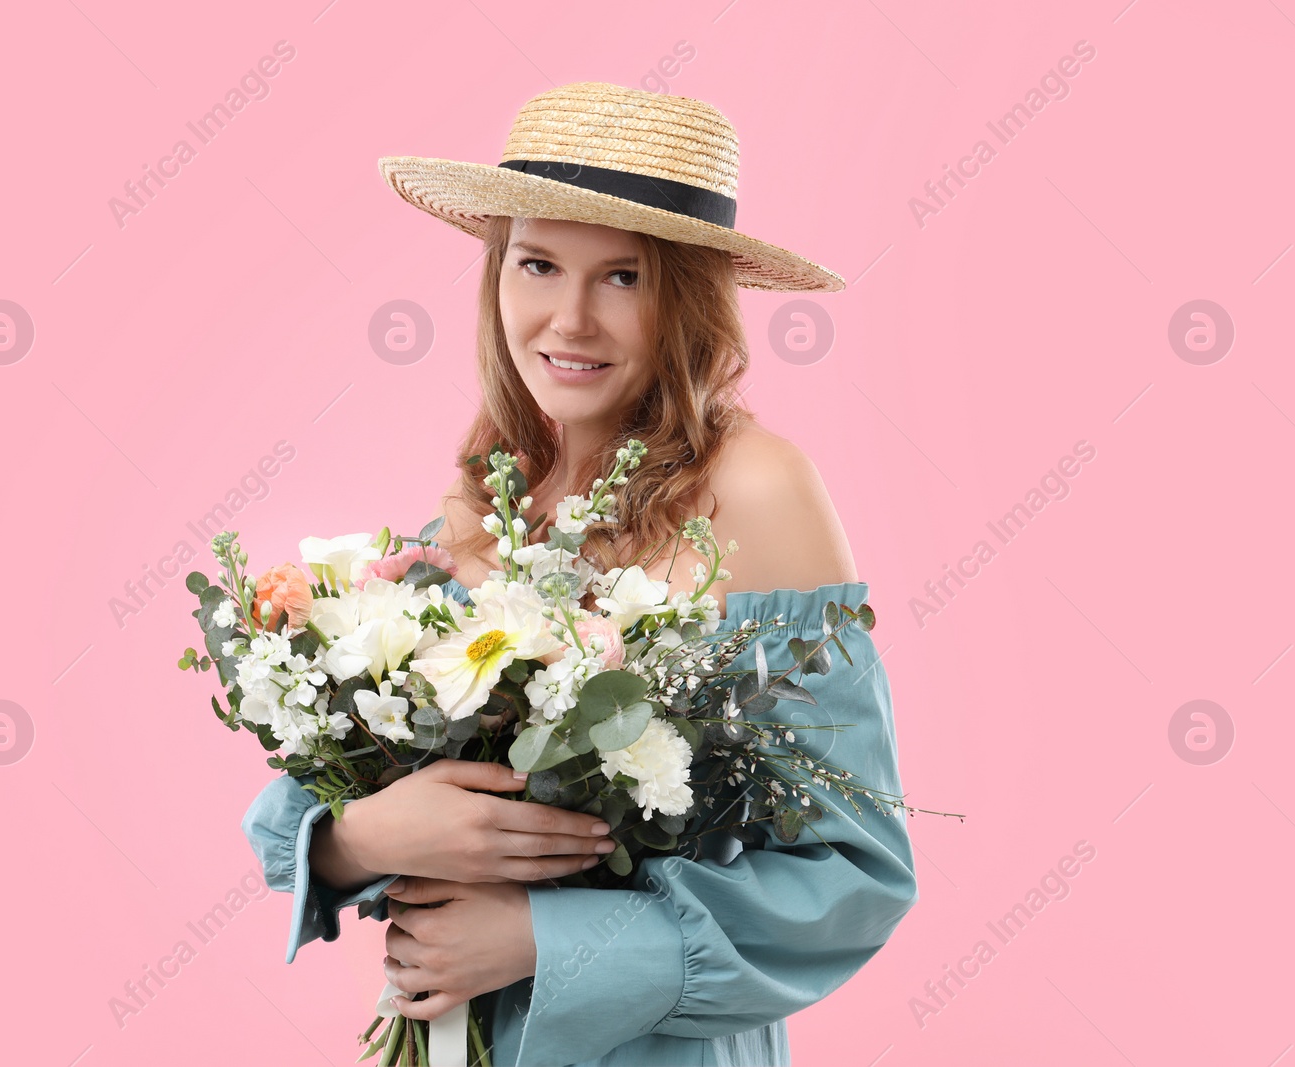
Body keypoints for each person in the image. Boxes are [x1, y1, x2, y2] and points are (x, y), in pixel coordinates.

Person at [241, 81, 918, 1067]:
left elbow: (855, 874)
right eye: (538, 263)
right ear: (496, 273)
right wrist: (366, 836)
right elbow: (308, 802)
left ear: (688, 294)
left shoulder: (757, 487)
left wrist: (541, 937)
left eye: (623, 278)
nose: (569, 317)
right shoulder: (493, 495)